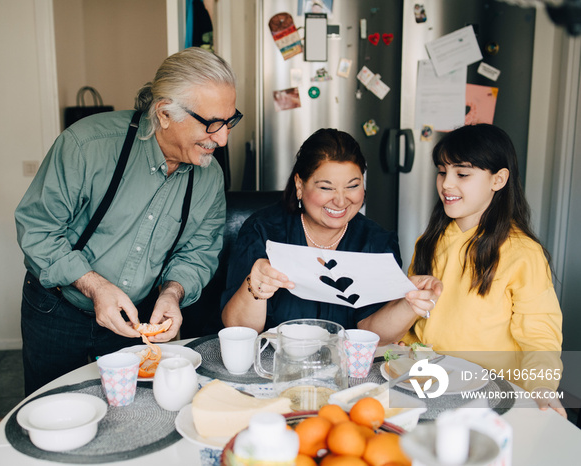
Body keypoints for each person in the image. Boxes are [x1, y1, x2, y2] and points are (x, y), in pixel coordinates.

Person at [15, 47, 240, 395]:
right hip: (58, 312)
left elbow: (198, 253)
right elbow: (38, 229)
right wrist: (96, 286)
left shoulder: (209, 178)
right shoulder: (87, 146)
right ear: (164, 113)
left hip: (137, 322)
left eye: (229, 121)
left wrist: (172, 293)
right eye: (212, 124)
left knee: (129, 418)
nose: (223, 138)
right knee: (54, 409)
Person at [403, 124, 565, 417]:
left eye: (462, 174)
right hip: (431, 385)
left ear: (498, 179)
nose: (446, 184)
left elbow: (540, 335)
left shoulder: (522, 253)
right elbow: (416, 321)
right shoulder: (427, 243)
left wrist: (542, 387)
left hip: (492, 397)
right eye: (442, 171)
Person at [221, 128, 441, 343]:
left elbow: (374, 334)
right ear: (299, 184)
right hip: (271, 366)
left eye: (353, 186)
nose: (341, 200)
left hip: (344, 371)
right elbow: (239, 329)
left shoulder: (377, 242)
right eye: (326, 188)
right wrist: (257, 285)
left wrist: (409, 303)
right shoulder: (263, 231)